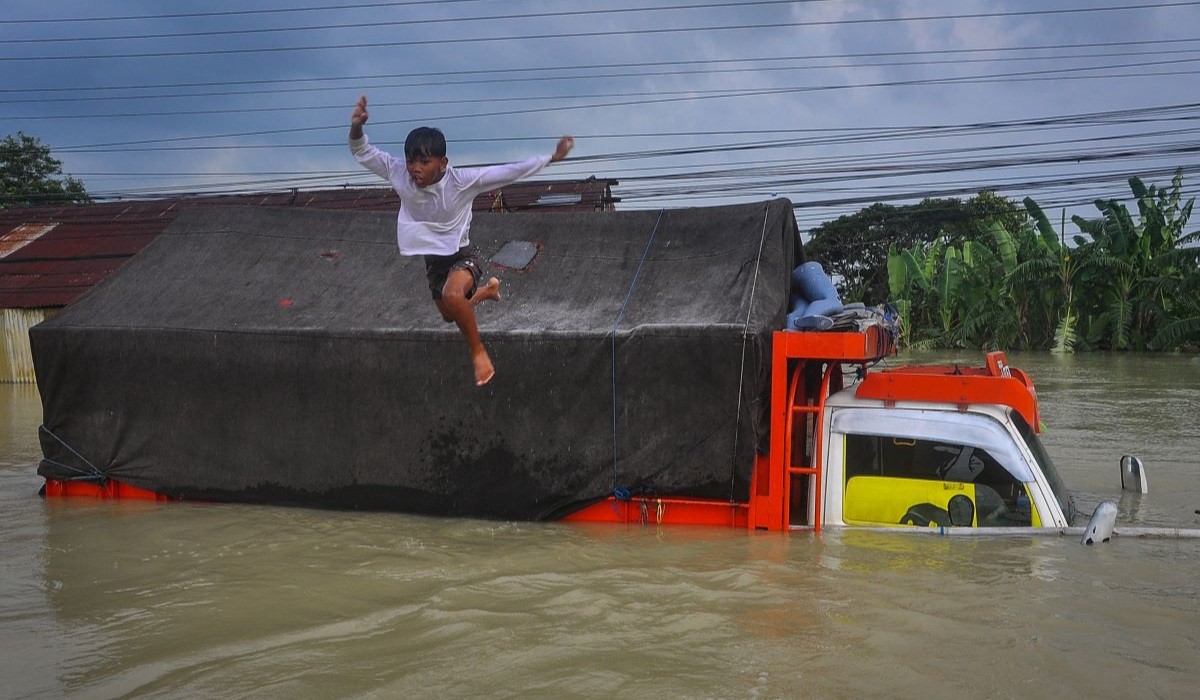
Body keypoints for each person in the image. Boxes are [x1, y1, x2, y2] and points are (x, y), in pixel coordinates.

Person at [349, 95, 574, 386]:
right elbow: (361, 150)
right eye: (411, 161)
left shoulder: (461, 181)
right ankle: (488, 291)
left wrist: (550, 158)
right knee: (448, 315)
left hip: (462, 256)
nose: (415, 169)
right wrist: (356, 126)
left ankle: (479, 354)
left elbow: (507, 172)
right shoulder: (398, 173)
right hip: (434, 259)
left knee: (454, 296)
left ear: (442, 163)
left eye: (424, 162)